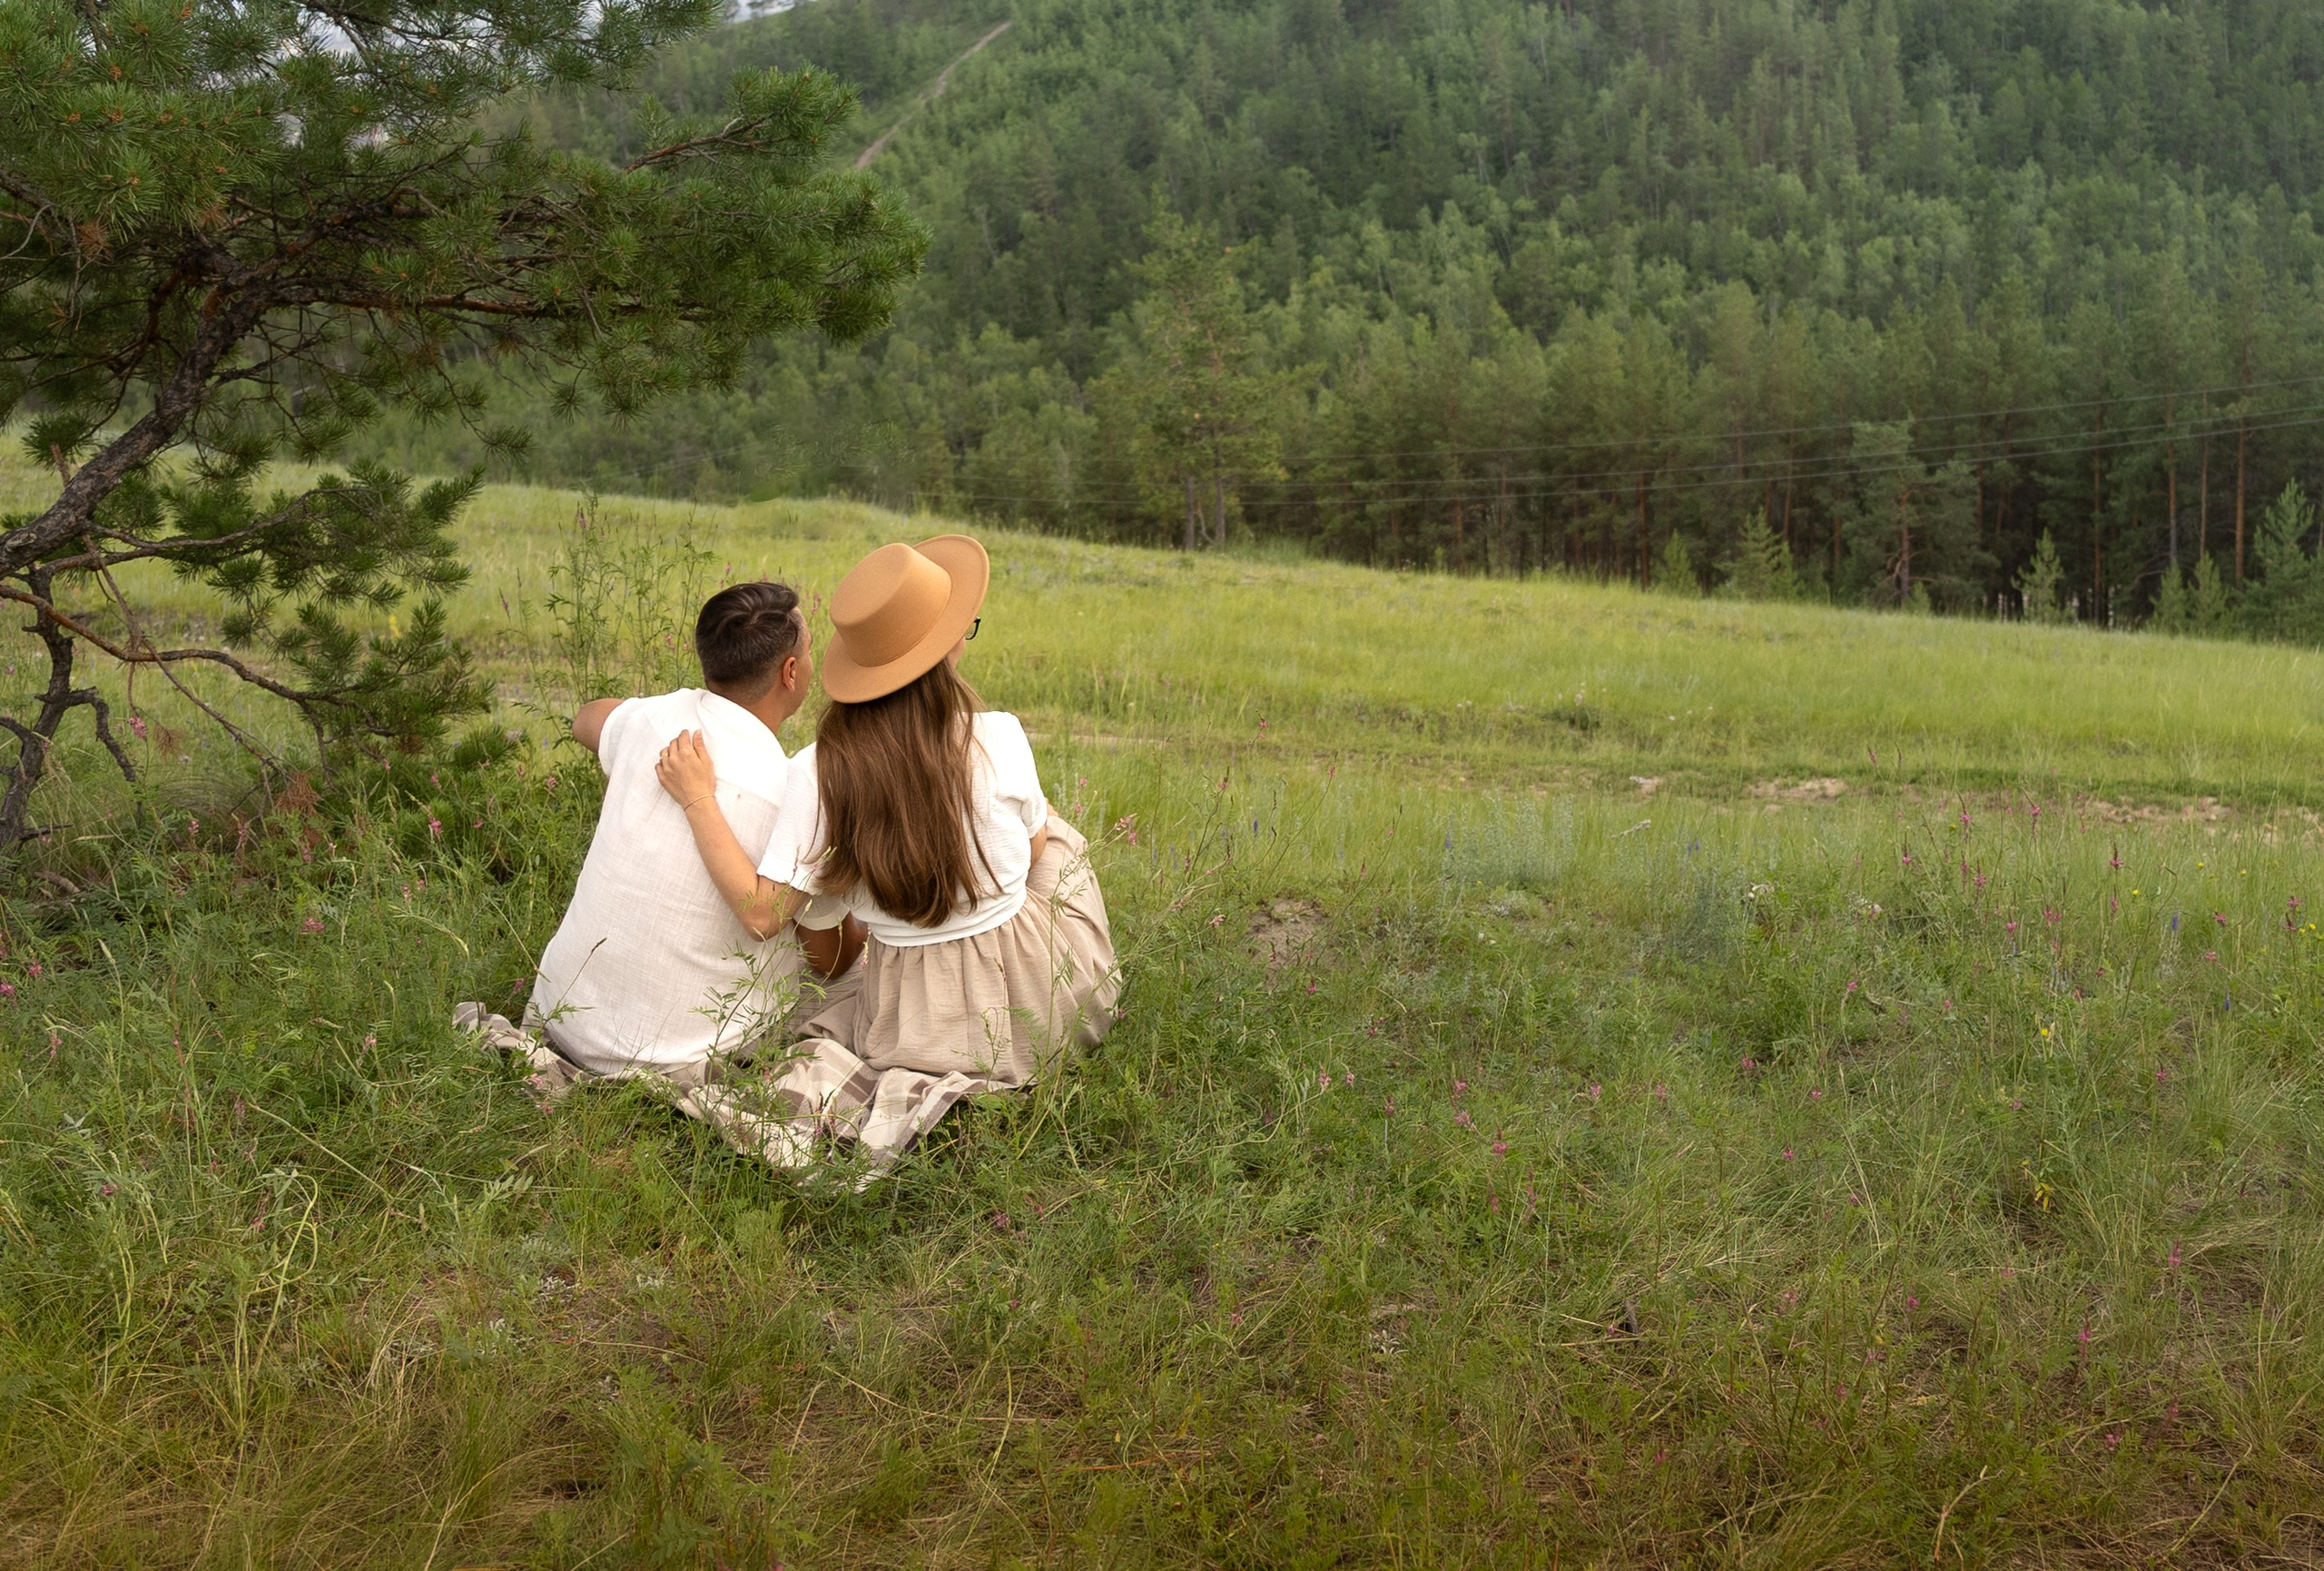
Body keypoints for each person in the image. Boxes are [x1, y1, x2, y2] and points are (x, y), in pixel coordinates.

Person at [653, 534, 1118, 1172]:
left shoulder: (817, 771)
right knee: (1059, 836)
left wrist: (699, 800)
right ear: (947, 646)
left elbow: (764, 915)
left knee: (830, 924)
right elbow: (1034, 853)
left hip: (911, 1019)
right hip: (1033, 994)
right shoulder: (999, 737)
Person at [456, 580, 863, 1122]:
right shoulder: (794, 795)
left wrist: (643, 726)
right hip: (678, 1055)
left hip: (563, 1020)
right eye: (808, 654)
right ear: (791, 672)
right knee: (862, 970)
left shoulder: (656, 722)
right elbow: (828, 961)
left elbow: (585, 719)